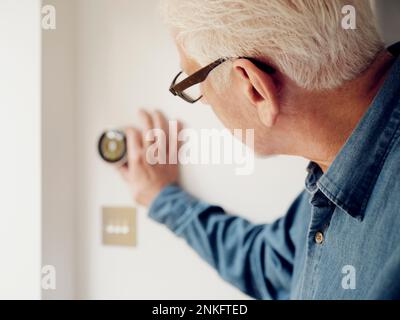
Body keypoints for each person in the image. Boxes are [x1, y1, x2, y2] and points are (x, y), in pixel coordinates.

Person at [117, 0, 400, 299]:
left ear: (254, 88)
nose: (204, 101)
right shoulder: (335, 172)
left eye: (194, 81)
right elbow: (270, 265)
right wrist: (163, 198)